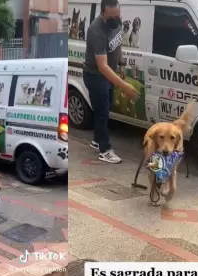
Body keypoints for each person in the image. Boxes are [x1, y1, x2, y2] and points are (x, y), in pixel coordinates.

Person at [83, 0, 139, 164]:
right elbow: (102, 66)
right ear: (102, 14)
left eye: (118, 15)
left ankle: (96, 139)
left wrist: (121, 64)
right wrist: (126, 86)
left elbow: (117, 44)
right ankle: (105, 149)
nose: (116, 19)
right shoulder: (96, 30)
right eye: (112, 16)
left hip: (110, 74)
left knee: (105, 108)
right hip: (96, 76)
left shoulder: (117, 23)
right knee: (102, 112)